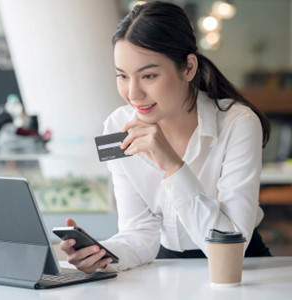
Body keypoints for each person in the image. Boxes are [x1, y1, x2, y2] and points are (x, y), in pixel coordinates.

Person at [60, 1, 272, 273]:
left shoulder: (238, 123)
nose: (133, 94)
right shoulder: (116, 126)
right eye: (123, 76)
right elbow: (139, 232)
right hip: (166, 266)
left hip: (242, 267)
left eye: (148, 75)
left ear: (188, 68)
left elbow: (231, 245)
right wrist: (102, 254)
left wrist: (172, 166)